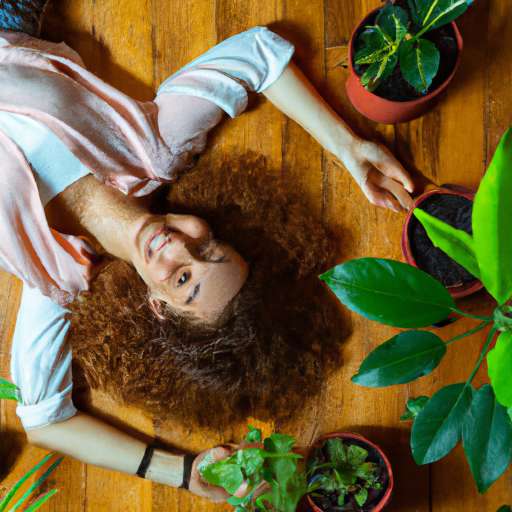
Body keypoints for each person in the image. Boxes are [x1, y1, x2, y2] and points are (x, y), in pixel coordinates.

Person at [1, 0, 414, 503]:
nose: (179, 247)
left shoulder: (58, 279)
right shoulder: (154, 150)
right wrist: (348, 148)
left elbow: (44, 419)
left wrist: (182, 470)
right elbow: (258, 56)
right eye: (208, 246)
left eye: (182, 281)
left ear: (157, 307)